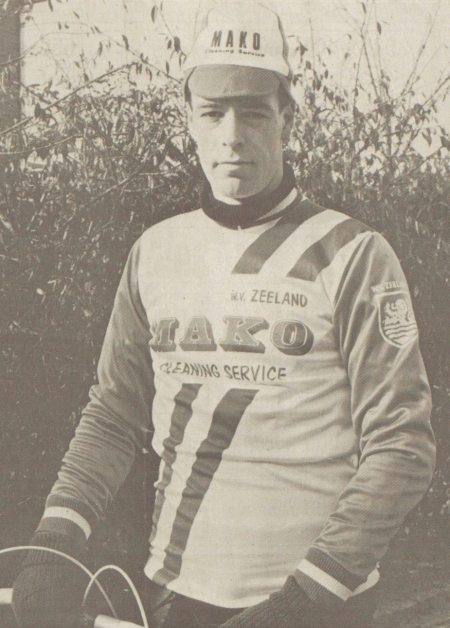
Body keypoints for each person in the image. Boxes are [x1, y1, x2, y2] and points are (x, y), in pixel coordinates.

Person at [12, 3, 435, 628]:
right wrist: (55, 539)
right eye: (213, 112)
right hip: (177, 595)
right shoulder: (156, 250)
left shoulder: (354, 253)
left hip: (314, 604)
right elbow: (114, 414)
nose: (232, 135)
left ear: (288, 119)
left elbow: (401, 445)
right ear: (190, 119)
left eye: (254, 112)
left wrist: (302, 602)